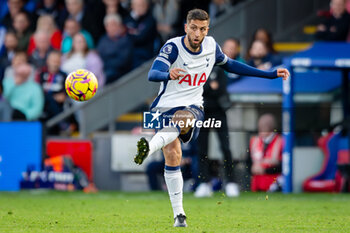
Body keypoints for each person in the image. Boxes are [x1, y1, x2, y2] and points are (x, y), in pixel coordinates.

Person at [133, 9, 290, 227]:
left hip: (193, 106)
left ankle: (147, 149)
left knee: (184, 118)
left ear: (207, 29)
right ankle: (179, 215)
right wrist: (168, 73)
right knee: (172, 153)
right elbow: (153, 73)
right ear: (186, 27)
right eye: (194, 28)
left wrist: (269, 73)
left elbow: (232, 65)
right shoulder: (172, 47)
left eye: (203, 29)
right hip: (164, 106)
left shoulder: (211, 46)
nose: (198, 33)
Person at [194, 38, 240, 198]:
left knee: (225, 148)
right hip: (202, 113)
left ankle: (231, 182)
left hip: (219, 112)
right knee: (202, 149)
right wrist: (209, 87)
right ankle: (204, 183)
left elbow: (220, 89)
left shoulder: (219, 68)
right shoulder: (196, 68)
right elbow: (198, 88)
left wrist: (208, 88)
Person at [249, 113, 283, 192]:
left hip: (273, 183)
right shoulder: (254, 141)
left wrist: (265, 170)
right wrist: (253, 168)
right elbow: (248, 161)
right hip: (256, 183)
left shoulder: (281, 141)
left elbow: (284, 166)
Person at [97, 14, 132, 84]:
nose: (111, 28)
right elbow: (98, 56)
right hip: (103, 70)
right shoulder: (103, 40)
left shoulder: (125, 39)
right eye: (108, 25)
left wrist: (105, 63)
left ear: (119, 25)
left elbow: (123, 61)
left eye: (113, 25)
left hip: (119, 73)